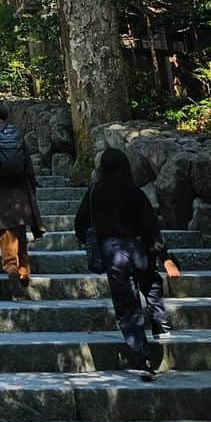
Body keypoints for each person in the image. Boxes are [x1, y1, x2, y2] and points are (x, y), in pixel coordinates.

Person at [73, 147, 168, 380]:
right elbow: (150, 226)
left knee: (127, 305)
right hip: (137, 247)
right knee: (151, 281)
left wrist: (87, 238)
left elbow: (80, 222)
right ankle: (159, 319)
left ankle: (142, 355)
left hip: (112, 251)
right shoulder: (135, 193)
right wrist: (163, 254)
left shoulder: (96, 192)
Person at [0, 99, 46, 299]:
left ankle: (13, 275)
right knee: (20, 231)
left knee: (6, 232)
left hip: (1, 189)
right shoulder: (15, 132)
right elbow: (27, 160)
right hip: (21, 189)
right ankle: (24, 271)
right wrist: (32, 186)